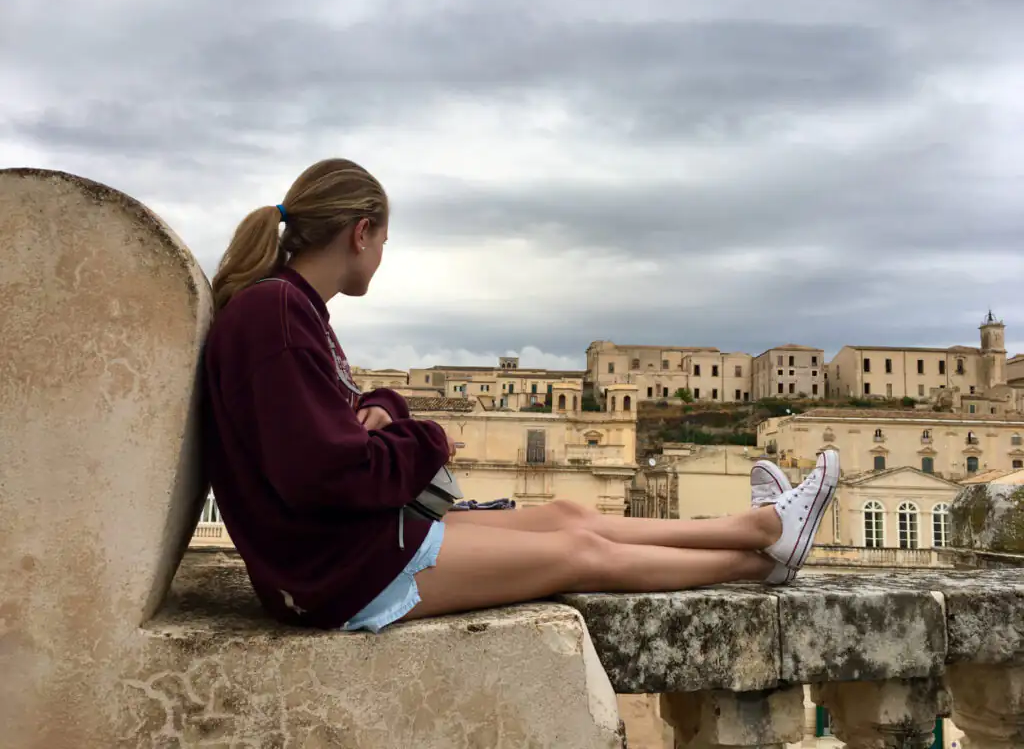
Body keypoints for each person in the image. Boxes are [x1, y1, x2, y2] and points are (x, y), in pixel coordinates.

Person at [202, 158, 840, 634]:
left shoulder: (289, 311)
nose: (381, 259)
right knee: (578, 553)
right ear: (362, 232)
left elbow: (341, 422)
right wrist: (427, 438)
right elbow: (333, 472)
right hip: (337, 572)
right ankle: (760, 567)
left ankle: (761, 528)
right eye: (385, 245)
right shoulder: (279, 316)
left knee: (568, 514)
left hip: (356, 543)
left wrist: (389, 410)